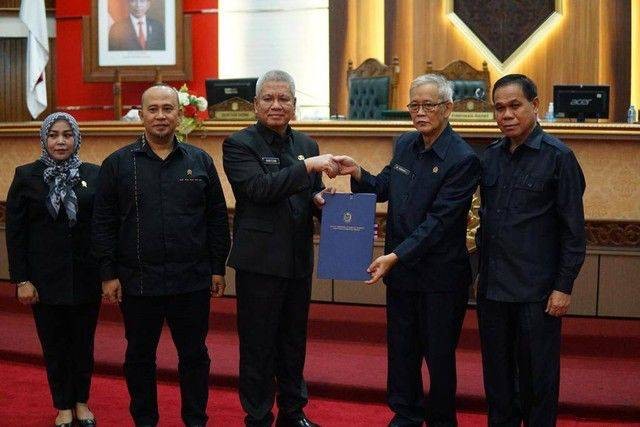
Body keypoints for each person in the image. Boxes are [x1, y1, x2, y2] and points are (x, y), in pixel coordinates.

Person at [334, 74, 480, 426]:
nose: (419, 112)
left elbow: (439, 223)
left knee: (438, 356)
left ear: (447, 108)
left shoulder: (463, 159)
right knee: (402, 351)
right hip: (401, 274)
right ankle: (405, 415)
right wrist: (358, 173)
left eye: (428, 105)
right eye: (413, 105)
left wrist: (395, 255)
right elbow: (384, 186)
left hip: (441, 277)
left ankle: (442, 420)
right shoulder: (404, 144)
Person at [92, 84, 230, 426]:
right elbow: (104, 223)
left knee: (194, 356)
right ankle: (145, 420)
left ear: (179, 115)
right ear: (141, 115)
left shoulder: (200, 161)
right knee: (139, 357)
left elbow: (216, 219)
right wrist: (108, 274)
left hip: (192, 281)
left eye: (168, 109)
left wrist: (217, 269)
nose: (161, 116)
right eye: (153, 109)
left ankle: (196, 419)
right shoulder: (117, 164)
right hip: (137, 281)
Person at [222, 70, 337, 427]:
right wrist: (307, 169)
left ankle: (293, 412)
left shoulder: (307, 145)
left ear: (294, 105)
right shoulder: (238, 144)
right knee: (258, 346)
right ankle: (257, 417)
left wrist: (320, 200)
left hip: (298, 258)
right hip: (259, 262)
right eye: (268, 99)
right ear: (255, 105)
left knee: (293, 342)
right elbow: (259, 190)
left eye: (283, 99)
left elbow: (306, 193)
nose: (276, 105)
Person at [476, 74, 586, 426]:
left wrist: (563, 286)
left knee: (538, 381)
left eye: (515, 106)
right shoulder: (489, 157)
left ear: (534, 106)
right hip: (493, 290)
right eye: (499, 108)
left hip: (537, 293)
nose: (506, 114)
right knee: (498, 382)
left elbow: (573, 231)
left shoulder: (559, 158)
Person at [6, 112, 101, 427]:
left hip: (86, 279)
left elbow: (103, 228)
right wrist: (22, 279)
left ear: (76, 138)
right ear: (44, 139)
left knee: (83, 344)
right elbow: (16, 234)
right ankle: (62, 405)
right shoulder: (25, 176)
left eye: (67, 135)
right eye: (54, 135)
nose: (61, 141)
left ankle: (81, 402)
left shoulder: (95, 175)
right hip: (44, 282)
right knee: (55, 345)